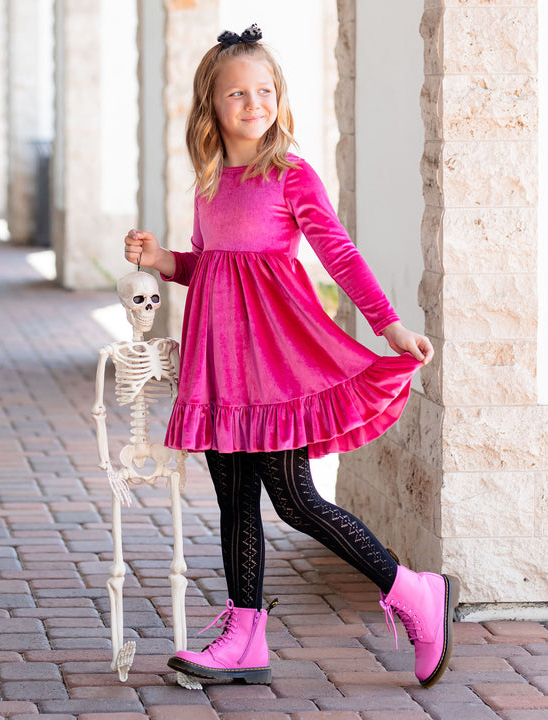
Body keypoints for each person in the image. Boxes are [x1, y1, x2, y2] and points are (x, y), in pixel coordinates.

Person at [124, 24, 458, 688]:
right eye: (237, 94)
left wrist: (387, 326)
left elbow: (338, 252)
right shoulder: (210, 179)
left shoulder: (290, 173)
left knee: (294, 498)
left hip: (275, 362)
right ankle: (243, 634)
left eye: (265, 91)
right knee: (234, 496)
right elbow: (213, 264)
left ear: (279, 97)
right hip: (219, 364)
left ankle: (414, 591)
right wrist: (165, 262)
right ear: (211, 106)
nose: (254, 103)